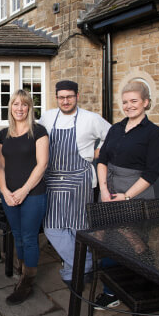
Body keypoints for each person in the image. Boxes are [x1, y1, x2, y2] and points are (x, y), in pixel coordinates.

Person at [94, 80, 159, 309]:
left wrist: (126, 196)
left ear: (146, 102)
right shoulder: (115, 129)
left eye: (134, 101)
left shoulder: (155, 133)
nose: (129, 106)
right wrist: (104, 190)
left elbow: (152, 173)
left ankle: (145, 284)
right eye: (125, 102)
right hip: (108, 191)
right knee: (107, 241)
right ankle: (111, 292)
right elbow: (102, 159)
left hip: (135, 193)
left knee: (135, 242)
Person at [38, 80, 110, 285]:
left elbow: (112, 135)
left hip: (80, 179)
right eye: (61, 97)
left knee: (77, 228)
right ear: (56, 98)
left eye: (69, 96)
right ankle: (85, 264)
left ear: (77, 96)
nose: (65, 101)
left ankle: (73, 272)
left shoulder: (91, 118)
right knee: (52, 227)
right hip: (52, 179)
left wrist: (98, 152)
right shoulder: (48, 117)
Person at [0, 89, 49, 305]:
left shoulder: (39, 131)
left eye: (24, 104)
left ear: (29, 108)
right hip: (9, 194)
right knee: (17, 235)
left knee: (28, 237)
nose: (19, 108)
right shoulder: (3, 134)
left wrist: (24, 190)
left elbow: (42, 164)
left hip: (33, 193)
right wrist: (5, 190)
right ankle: (21, 270)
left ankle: (27, 283)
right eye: (15, 104)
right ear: (11, 107)